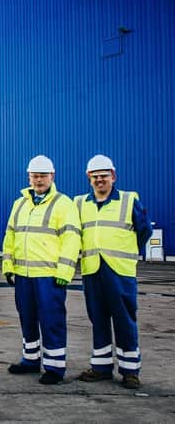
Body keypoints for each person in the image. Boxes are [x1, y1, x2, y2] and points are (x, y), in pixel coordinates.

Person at [1, 155, 81, 385]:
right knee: (27, 318)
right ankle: (30, 359)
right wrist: (8, 265)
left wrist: (65, 273)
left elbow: (71, 239)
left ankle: (55, 367)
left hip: (49, 276)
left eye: (43, 176)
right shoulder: (20, 204)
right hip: (24, 276)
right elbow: (10, 236)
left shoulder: (63, 204)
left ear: (52, 176)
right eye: (34, 176)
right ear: (29, 177)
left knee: (51, 320)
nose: (38, 180)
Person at [75, 155, 152, 389]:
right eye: (95, 176)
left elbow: (144, 231)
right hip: (92, 271)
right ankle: (101, 367)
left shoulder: (129, 201)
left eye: (104, 176)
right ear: (89, 178)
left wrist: (125, 251)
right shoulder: (79, 203)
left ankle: (130, 371)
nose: (100, 180)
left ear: (113, 176)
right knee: (98, 319)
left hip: (120, 272)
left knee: (124, 319)